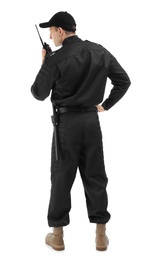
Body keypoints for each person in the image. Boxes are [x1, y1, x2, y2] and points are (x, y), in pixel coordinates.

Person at [31, 11, 131, 251]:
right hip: (91, 122)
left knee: (62, 177)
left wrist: (45, 64)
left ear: (61, 31)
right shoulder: (100, 51)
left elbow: (38, 93)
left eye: (52, 31)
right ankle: (100, 235)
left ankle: (57, 236)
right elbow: (123, 80)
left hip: (67, 125)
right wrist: (104, 105)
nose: (51, 35)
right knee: (96, 176)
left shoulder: (56, 58)